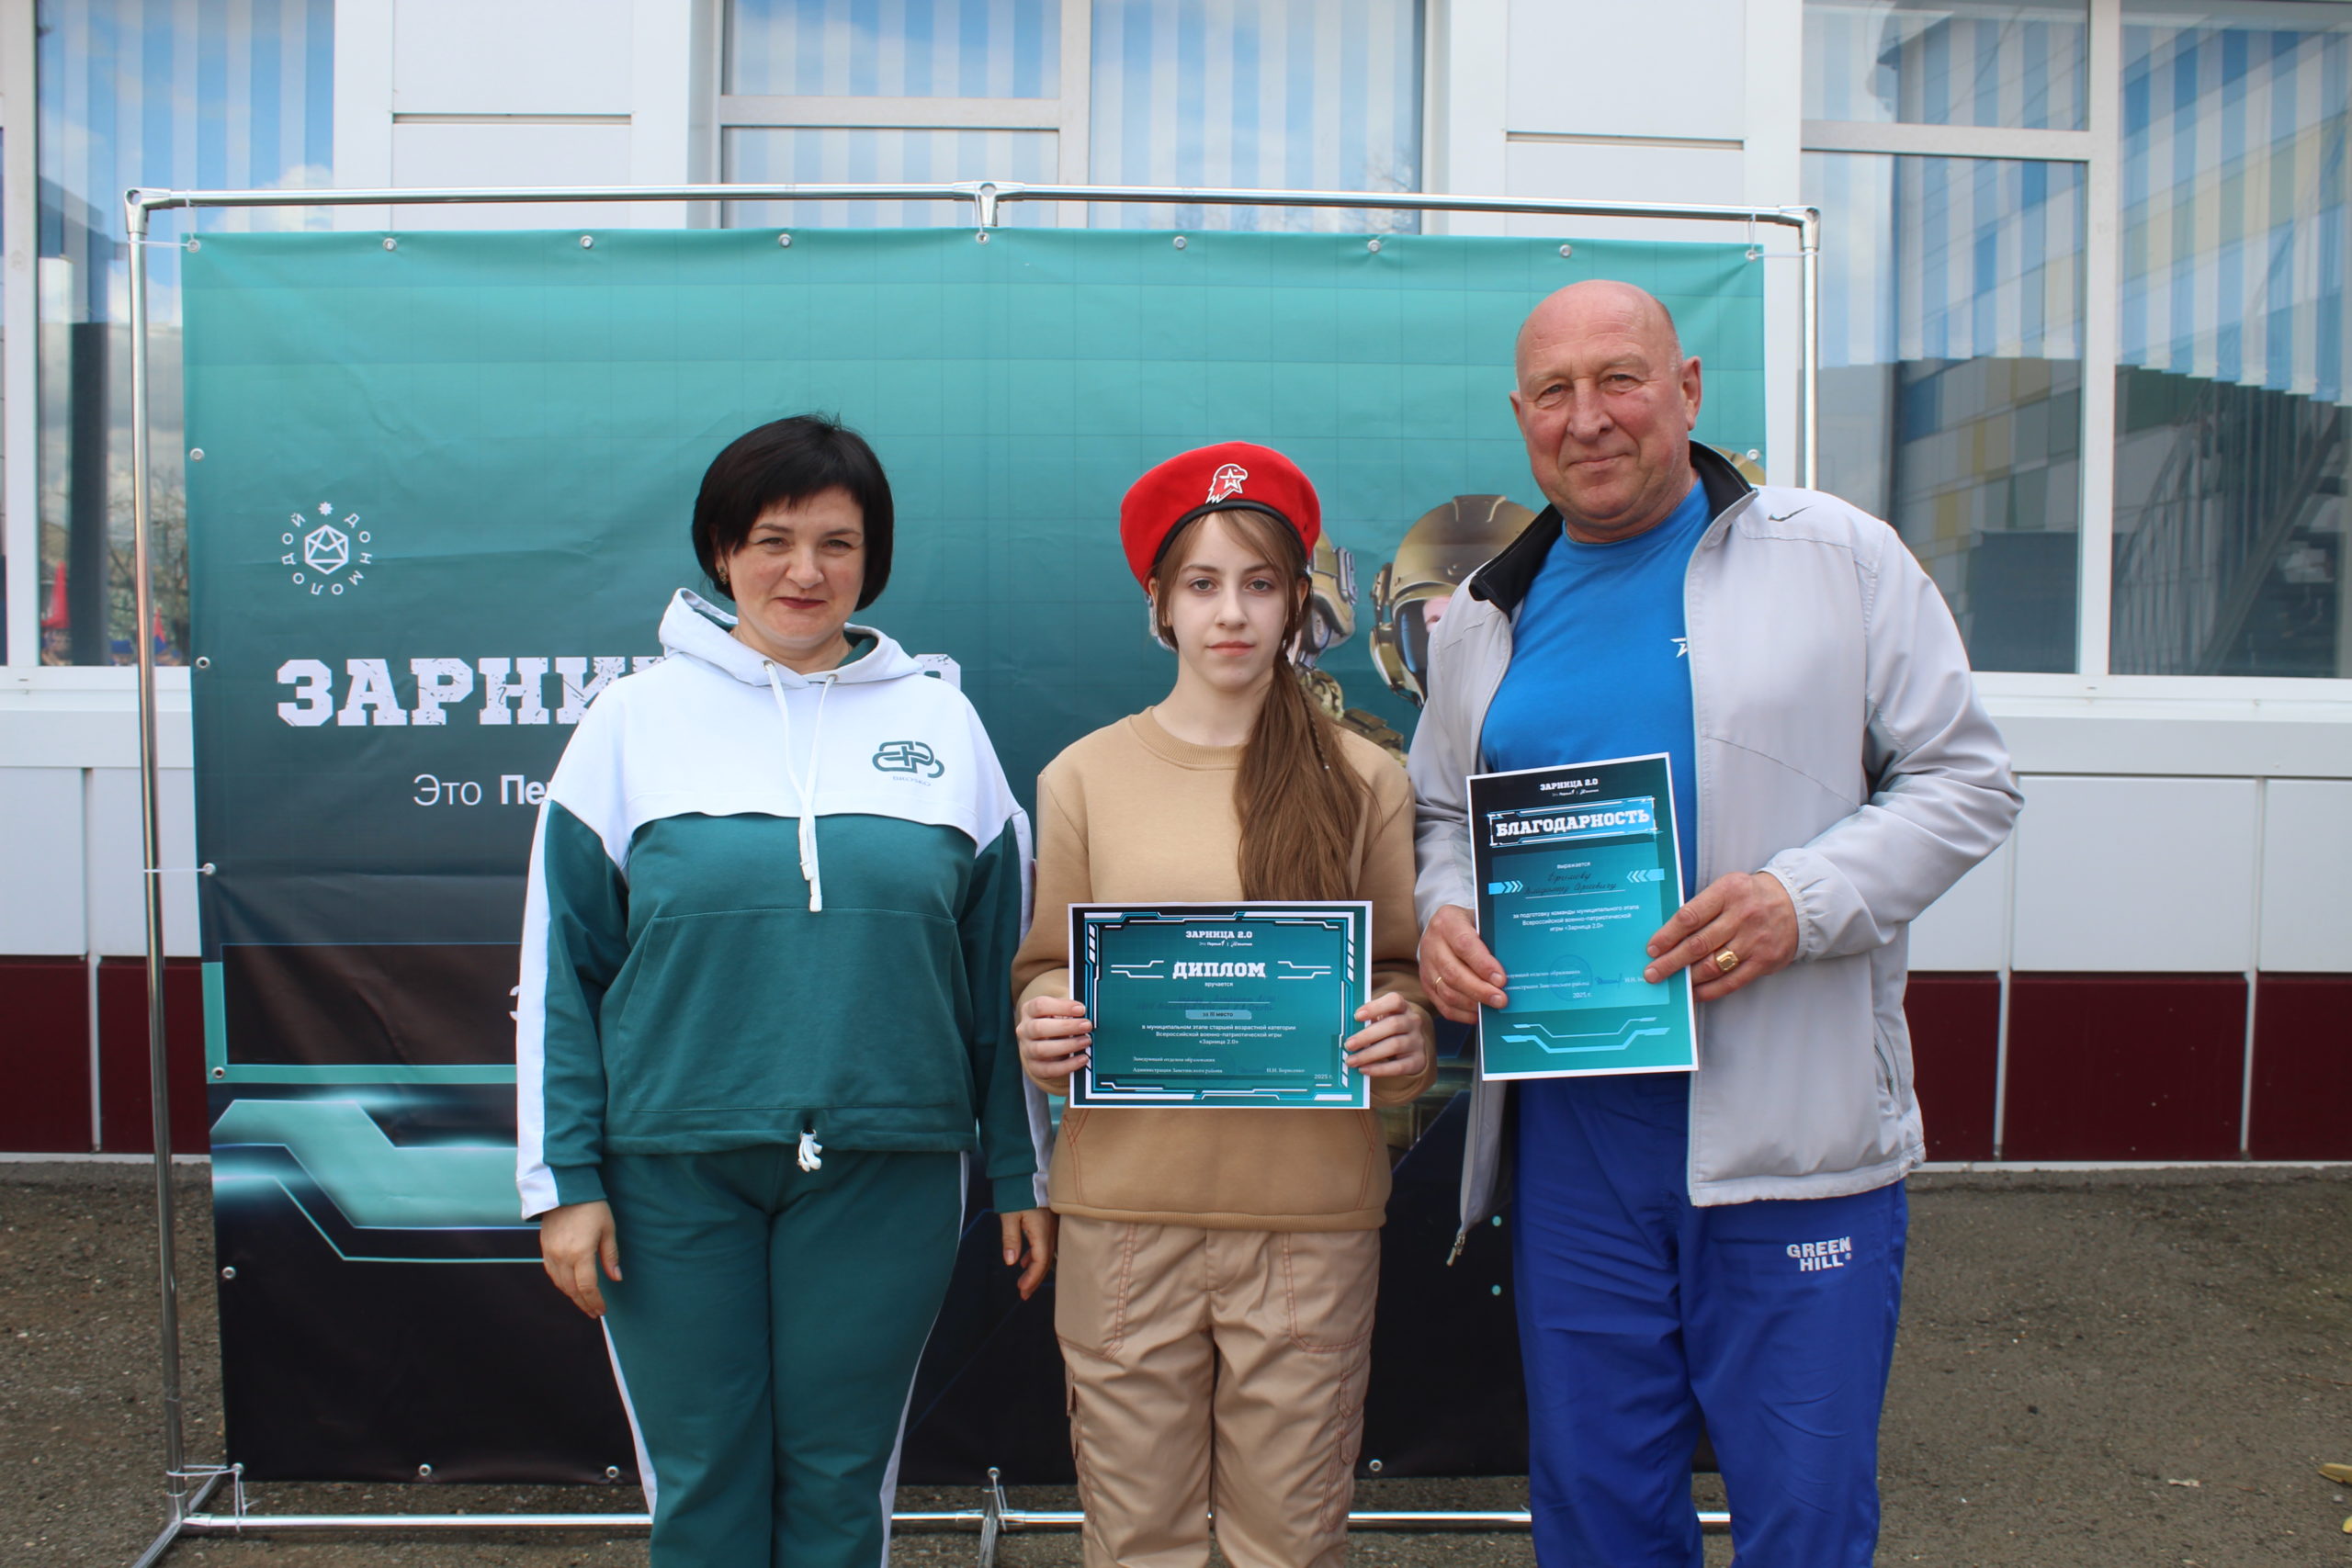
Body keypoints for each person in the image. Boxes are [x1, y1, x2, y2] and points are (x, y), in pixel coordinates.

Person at [1409, 282, 2021, 1566]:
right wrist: (1447, 909)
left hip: (1789, 1133)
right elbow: (1441, 814)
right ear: (1521, 417)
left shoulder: (1838, 556)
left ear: (1687, 389)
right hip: (1576, 1142)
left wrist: (1802, 900)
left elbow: (1966, 778)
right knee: (1598, 1511)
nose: (1589, 417)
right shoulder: (1481, 618)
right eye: (1555, 392)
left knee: (1802, 1515)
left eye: (1619, 378)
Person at [514, 413, 1053, 1568]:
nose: (804, 571)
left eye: (836, 543)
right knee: (703, 1484)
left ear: (871, 560)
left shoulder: (942, 724)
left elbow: (998, 975)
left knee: (838, 1484)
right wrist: (563, 1179)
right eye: (772, 540)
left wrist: (1020, 1168)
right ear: (722, 552)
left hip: (887, 1167)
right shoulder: (629, 722)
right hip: (667, 1174)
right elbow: (563, 970)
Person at [1013, 442, 1437, 1568]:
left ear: (1297, 601)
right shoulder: (1081, 777)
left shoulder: (1365, 777)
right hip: (1124, 1219)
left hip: (1308, 1222)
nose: (1232, 614)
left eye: (1258, 583)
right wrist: (1045, 1017)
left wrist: (1403, 1029)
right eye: (1201, 584)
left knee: (1287, 1545)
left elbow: (1398, 971)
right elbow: (1044, 967)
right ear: (1159, 603)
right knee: (1136, 1542)